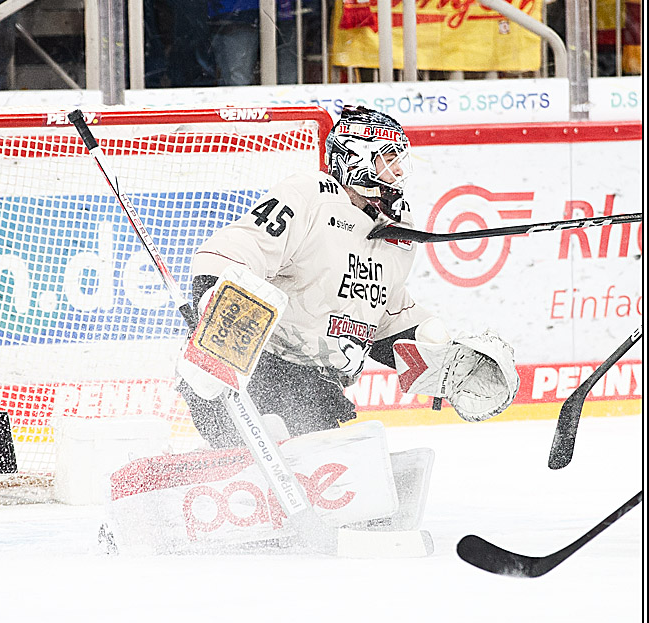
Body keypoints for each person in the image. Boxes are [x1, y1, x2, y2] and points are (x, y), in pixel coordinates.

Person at [177, 106, 520, 448]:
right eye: (389, 157)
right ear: (358, 156)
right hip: (251, 372)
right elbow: (227, 253)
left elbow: (384, 320)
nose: (400, 169)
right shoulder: (310, 194)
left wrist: (445, 362)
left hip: (317, 386)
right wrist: (214, 322)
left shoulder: (396, 230)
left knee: (331, 458)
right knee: (277, 436)